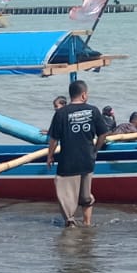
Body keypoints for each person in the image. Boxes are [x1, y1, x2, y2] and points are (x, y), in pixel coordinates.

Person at [46, 79, 110, 228]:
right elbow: (103, 134)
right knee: (85, 195)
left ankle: (70, 222)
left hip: (68, 161)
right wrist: (95, 150)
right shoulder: (93, 110)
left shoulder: (61, 113)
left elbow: (54, 139)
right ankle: (87, 223)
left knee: (66, 194)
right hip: (88, 159)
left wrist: (50, 156)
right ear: (83, 95)